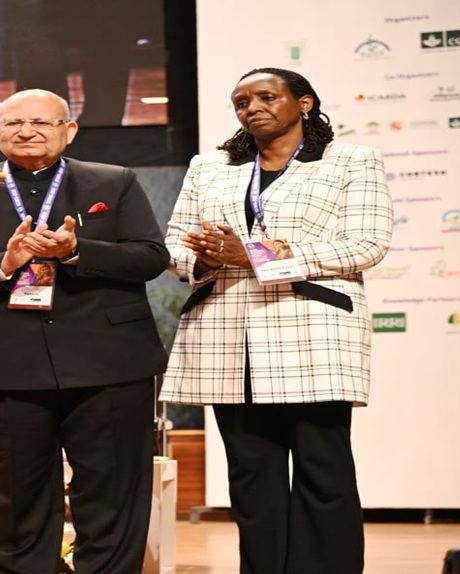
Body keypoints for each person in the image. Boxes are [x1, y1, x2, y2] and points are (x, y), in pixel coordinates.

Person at [161, 67, 392, 574]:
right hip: (226, 335)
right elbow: (175, 244)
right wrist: (202, 258)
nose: (253, 108)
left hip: (312, 332)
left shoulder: (350, 159)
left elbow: (367, 244)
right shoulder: (210, 166)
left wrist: (255, 255)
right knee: (250, 476)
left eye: (267, 96)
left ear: (304, 103)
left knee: (323, 470)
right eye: (242, 102)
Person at [0, 89, 169, 574]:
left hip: (109, 361)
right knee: (12, 496)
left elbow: (151, 257)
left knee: (113, 491)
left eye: (42, 123)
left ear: (69, 131)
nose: (27, 132)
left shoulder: (114, 181)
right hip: (6, 361)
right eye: (14, 123)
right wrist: (3, 264)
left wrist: (75, 251)